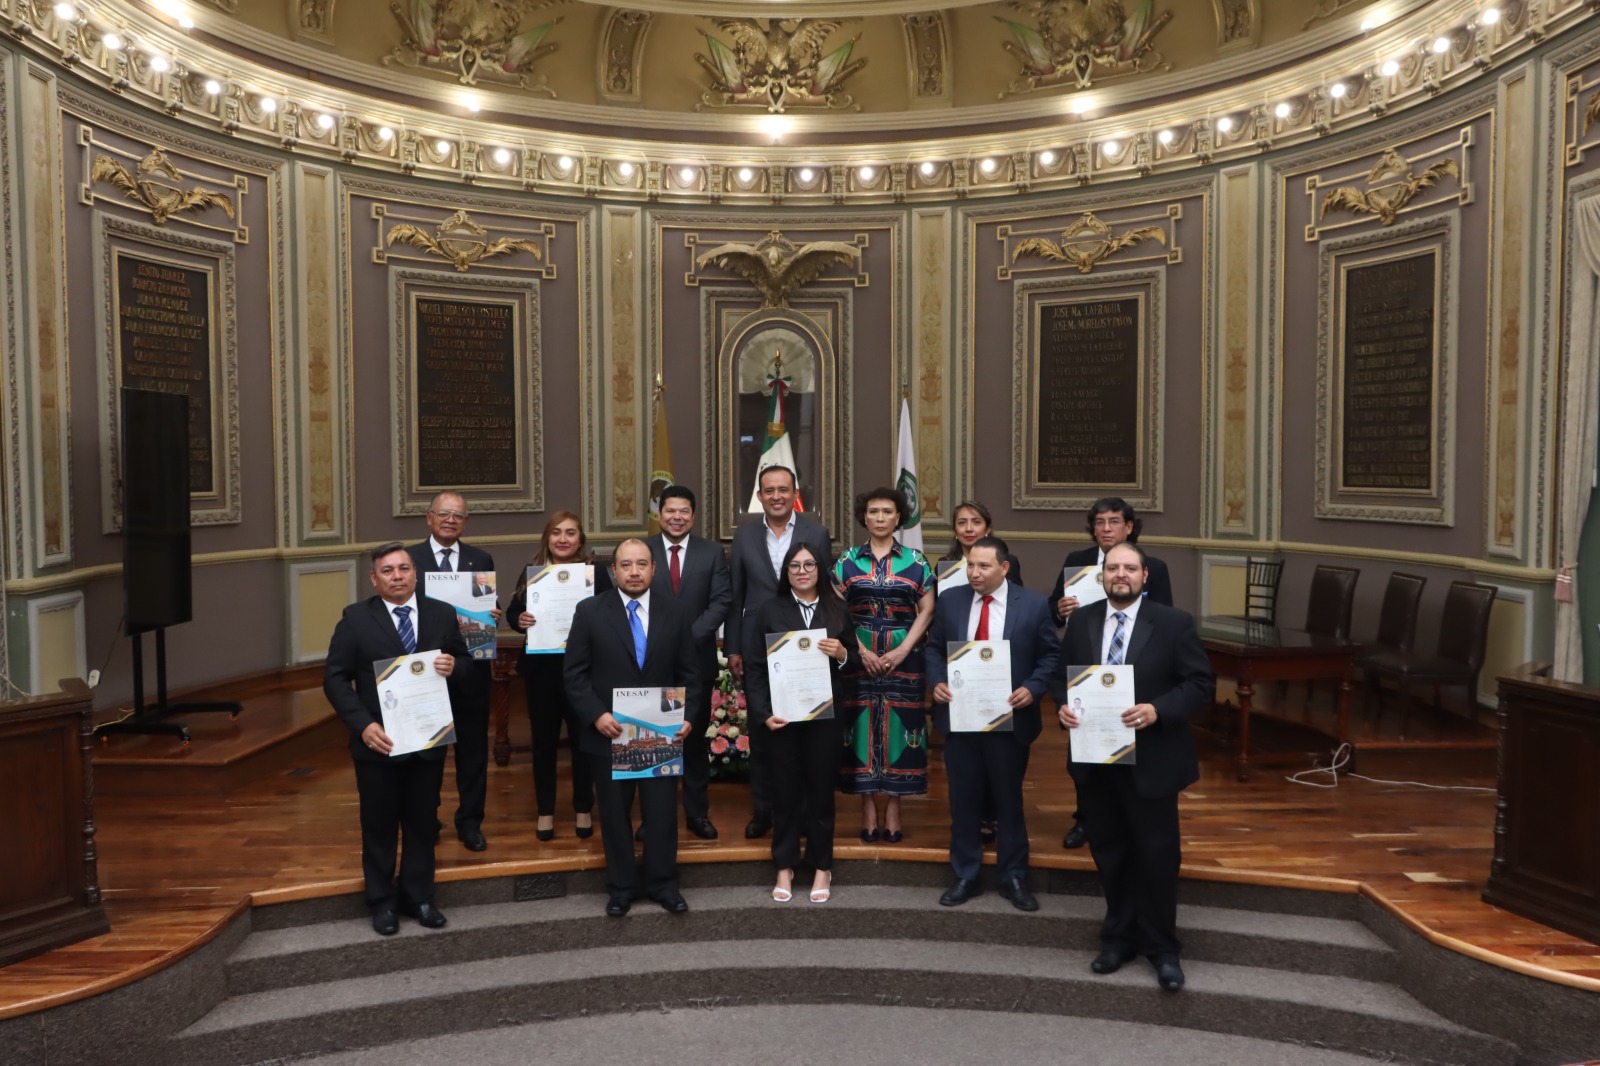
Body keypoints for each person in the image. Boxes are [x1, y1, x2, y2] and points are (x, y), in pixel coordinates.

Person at [1056, 541, 1214, 992]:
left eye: (1129, 568)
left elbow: (1200, 683)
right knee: (1110, 853)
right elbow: (1063, 679)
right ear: (1102, 575)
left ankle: (1163, 948)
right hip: (1097, 761)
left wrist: (1158, 710)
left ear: (1145, 576)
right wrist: (1063, 708)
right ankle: (1118, 939)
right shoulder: (1083, 621)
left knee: (1157, 856)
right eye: (1112, 568)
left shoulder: (1173, 623)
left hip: (1153, 761)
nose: (1119, 574)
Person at [323, 542, 469, 936]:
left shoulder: (441, 614)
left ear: (415, 573)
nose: (397, 576)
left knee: (423, 824)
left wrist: (455, 666)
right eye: (387, 571)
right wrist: (362, 725)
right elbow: (335, 679)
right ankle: (382, 902)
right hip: (378, 744)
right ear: (374, 579)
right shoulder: (355, 619)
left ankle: (419, 898)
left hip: (427, 741)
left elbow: (466, 664)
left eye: (404, 569)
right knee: (379, 825)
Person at [564, 539, 706, 917]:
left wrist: (688, 715)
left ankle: (663, 884)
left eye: (641, 564)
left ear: (653, 569)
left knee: (661, 814)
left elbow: (691, 672)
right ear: (614, 570)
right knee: (613, 815)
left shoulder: (676, 612)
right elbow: (574, 675)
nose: (634, 572)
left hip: (661, 733)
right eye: (626, 565)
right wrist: (596, 715)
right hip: (607, 734)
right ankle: (622, 887)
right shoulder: (590, 611)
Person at [927, 536, 1060, 910]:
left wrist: (1032, 689)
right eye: (970, 565)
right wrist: (936, 680)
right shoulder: (951, 599)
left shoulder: (1033, 605)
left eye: (983, 566)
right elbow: (935, 647)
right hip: (961, 717)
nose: (974, 573)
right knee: (963, 800)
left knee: (1008, 802)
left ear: (1004, 568)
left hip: (1010, 720)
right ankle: (965, 874)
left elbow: (1051, 656)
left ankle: (1013, 877)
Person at [1046, 496, 1173, 850]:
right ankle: (1086, 820)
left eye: (1114, 522)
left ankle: (1131, 819)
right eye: (1100, 523)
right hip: (1088, 672)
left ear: (1129, 527)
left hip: (1134, 673)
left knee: (1133, 754)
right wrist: (1059, 608)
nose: (1106, 529)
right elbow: (1053, 612)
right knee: (1085, 753)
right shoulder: (1077, 562)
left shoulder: (1153, 566)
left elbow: (1164, 618)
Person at [743, 543, 859, 905]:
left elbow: (853, 660)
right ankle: (785, 864)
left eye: (809, 564)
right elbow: (755, 669)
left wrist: (842, 654)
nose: (803, 571)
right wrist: (763, 714)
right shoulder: (768, 611)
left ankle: (822, 865)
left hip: (824, 718)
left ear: (820, 569)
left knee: (822, 792)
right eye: (794, 565)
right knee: (785, 793)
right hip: (783, 718)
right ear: (786, 572)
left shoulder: (837, 609)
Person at [726, 464, 834, 838]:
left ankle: (802, 812)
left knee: (804, 729)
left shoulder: (815, 532)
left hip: (805, 645)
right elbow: (736, 595)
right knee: (762, 727)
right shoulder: (743, 536)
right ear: (759, 495)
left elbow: (826, 590)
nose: (776, 496)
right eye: (768, 490)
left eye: (783, 490)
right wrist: (734, 647)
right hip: (758, 642)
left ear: (794, 493)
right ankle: (763, 811)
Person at [833, 486, 936, 842]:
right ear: (864, 516)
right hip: (857, 653)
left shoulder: (916, 561)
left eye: (887, 512)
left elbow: (927, 610)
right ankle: (866, 804)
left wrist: (903, 650)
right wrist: (861, 651)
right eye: (873, 511)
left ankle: (894, 803)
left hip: (904, 655)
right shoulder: (846, 560)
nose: (879, 518)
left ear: (898, 518)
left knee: (903, 725)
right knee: (858, 725)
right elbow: (834, 611)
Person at [506, 511, 609, 842]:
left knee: (583, 743)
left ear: (581, 539)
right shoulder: (531, 573)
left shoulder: (597, 574)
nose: (563, 539)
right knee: (544, 744)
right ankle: (545, 811)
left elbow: (611, 615)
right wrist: (519, 619)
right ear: (547, 538)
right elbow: (512, 613)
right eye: (556, 533)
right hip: (542, 672)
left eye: (570, 533)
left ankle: (582, 807)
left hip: (583, 672)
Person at [406, 492, 499, 853]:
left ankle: (471, 821)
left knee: (473, 753)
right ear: (429, 518)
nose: (450, 520)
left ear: (466, 522)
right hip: (424, 674)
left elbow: (489, 606)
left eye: (457, 516)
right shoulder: (409, 559)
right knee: (426, 755)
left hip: (471, 670)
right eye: (443, 514)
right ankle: (425, 820)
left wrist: (493, 613)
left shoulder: (481, 558)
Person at [647, 485, 732, 840]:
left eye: (684, 511)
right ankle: (652, 817)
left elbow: (721, 601)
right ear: (660, 513)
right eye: (670, 511)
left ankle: (697, 814)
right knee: (652, 741)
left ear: (693, 516)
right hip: (649, 660)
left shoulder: (711, 553)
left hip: (696, 661)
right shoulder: (642, 551)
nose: (677, 517)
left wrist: (686, 636)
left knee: (693, 743)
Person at [939, 500, 1026, 586]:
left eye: (976, 522)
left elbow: (1017, 597)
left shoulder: (1007, 561)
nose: (969, 529)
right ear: (955, 531)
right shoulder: (944, 564)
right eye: (962, 522)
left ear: (987, 530)